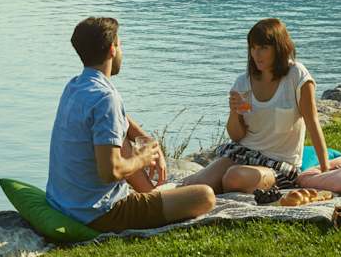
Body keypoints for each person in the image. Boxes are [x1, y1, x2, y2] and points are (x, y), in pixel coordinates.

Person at [47, 16, 218, 232]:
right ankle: (153, 198)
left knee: (121, 140)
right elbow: (110, 172)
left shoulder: (75, 86)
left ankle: (151, 195)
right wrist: (142, 158)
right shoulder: (106, 98)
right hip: (100, 213)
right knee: (204, 196)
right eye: (120, 45)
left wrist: (148, 141)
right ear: (112, 49)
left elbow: (119, 120)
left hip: (63, 202)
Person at [175, 17, 341, 194]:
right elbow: (237, 135)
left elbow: (312, 122)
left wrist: (326, 169)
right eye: (253, 48)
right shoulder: (243, 82)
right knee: (194, 185)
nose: (256, 54)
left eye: (263, 48)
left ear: (279, 48)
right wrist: (234, 112)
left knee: (233, 178)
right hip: (242, 153)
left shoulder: (296, 76)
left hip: (279, 162)